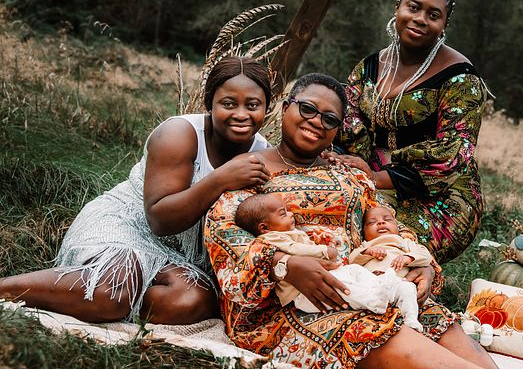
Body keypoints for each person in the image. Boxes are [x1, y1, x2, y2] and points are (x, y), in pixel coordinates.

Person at [205, 72, 497, 369]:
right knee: (388, 338)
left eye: (330, 119)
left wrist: (422, 263)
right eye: (307, 109)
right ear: (285, 108)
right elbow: (224, 233)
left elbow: (387, 221)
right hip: (295, 304)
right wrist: (283, 264)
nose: (317, 121)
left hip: (370, 282)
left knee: (443, 326)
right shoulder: (251, 170)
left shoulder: (351, 176)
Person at [0, 57, 273, 324]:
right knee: (113, 292)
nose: (241, 114)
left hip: (180, 254)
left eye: (253, 105)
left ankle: (109, 302)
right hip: (128, 224)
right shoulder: (180, 133)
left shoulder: (263, 152)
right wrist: (220, 179)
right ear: (209, 103)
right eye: (228, 103)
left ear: (266, 108)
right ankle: (9, 289)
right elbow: (159, 219)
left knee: (188, 302)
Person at [331, 0, 487, 263]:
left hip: (439, 196)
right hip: (367, 178)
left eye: (433, 14)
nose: (419, 19)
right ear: (398, 8)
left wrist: (376, 177)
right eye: (413, 8)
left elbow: (453, 155)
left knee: (386, 250)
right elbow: (344, 116)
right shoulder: (371, 66)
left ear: (444, 25)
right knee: (327, 219)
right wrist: (345, 164)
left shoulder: (461, 79)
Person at [235, 194, 424, 331]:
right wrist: (324, 251)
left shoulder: (286, 232)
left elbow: (392, 221)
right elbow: (298, 250)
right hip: (306, 291)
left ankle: (383, 291)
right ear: (264, 227)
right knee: (344, 286)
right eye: (284, 213)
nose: (291, 215)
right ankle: (374, 300)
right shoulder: (273, 238)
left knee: (355, 272)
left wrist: (328, 242)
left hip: (332, 272)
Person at [349, 205, 433, 278]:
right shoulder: (366, 245)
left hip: (401, 281)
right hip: (372, 281)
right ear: (363, 231)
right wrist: (368, 252)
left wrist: (408, 258)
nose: (381, 222)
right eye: (372, 222)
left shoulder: (405, 242)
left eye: (388, 219)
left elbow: (426, 255)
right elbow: (352, 259)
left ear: (397, 227)